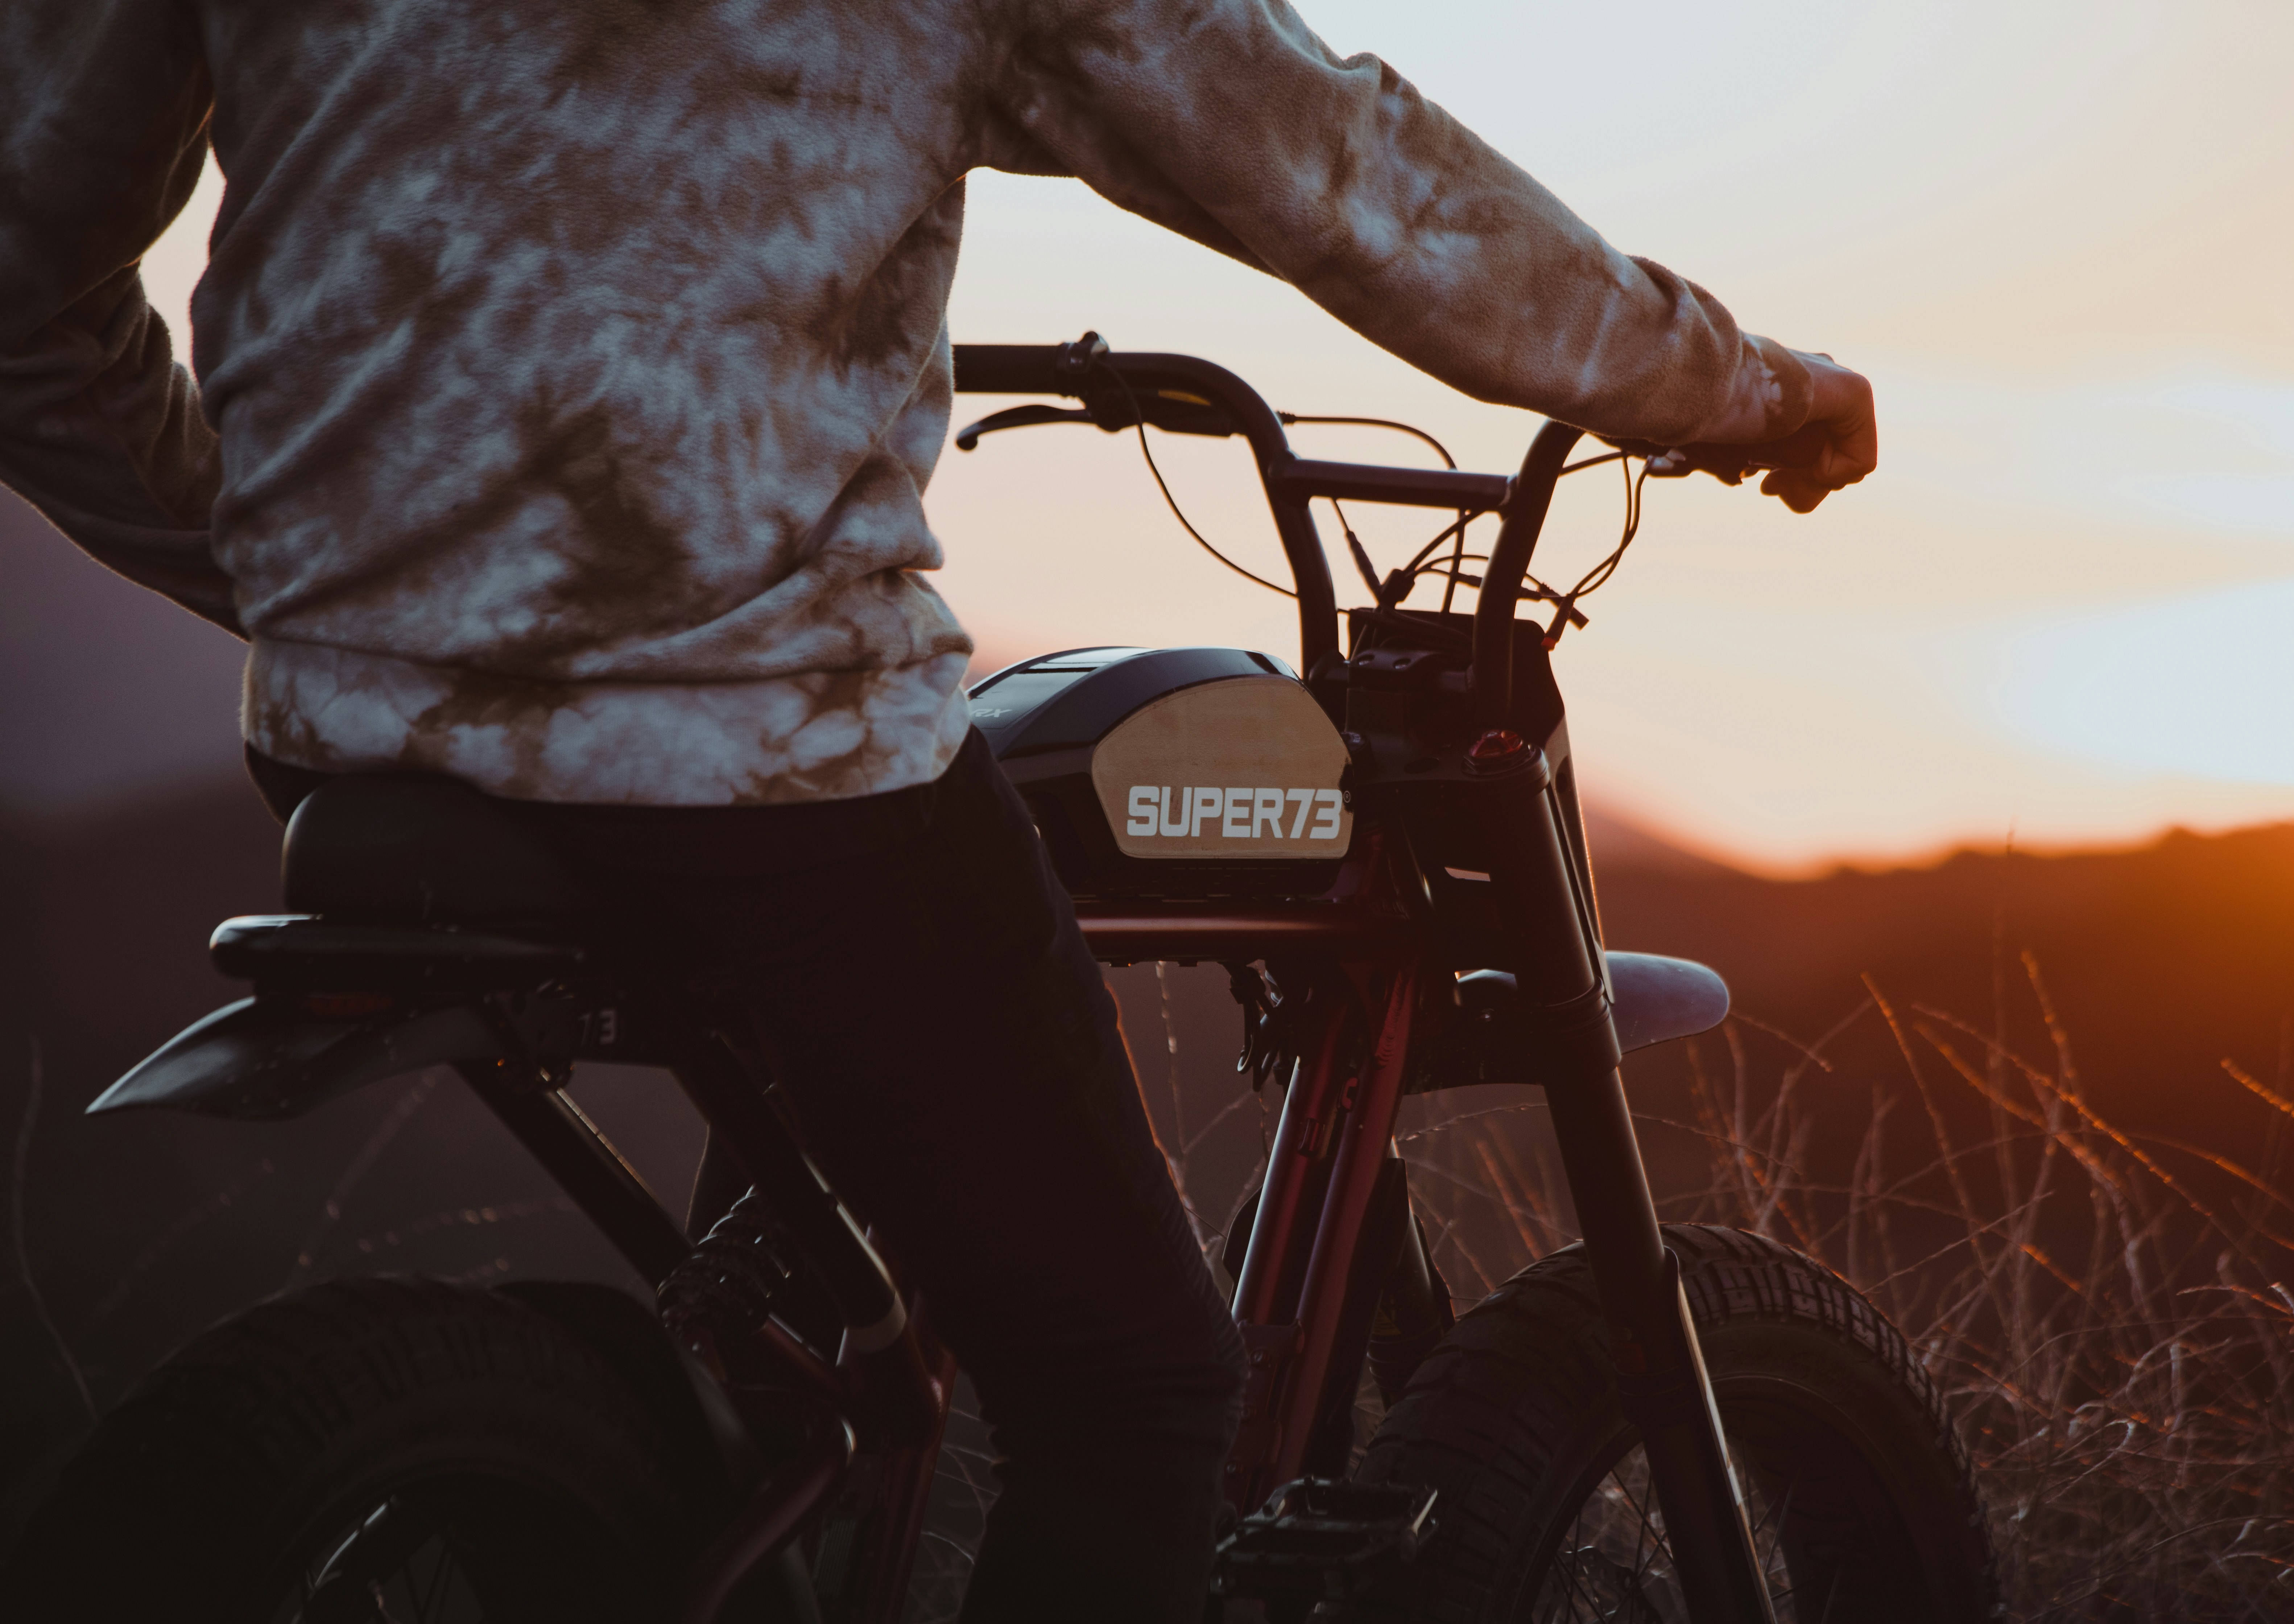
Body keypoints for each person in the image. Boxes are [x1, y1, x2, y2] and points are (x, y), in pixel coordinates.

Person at [0, 0, 1874, 1617]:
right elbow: (1349, 174)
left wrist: (313, 588)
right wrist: (1737, 389)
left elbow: (21, 283)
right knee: (1136, 1389)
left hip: (352, 743)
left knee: (815, 1284)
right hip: (769, 773)